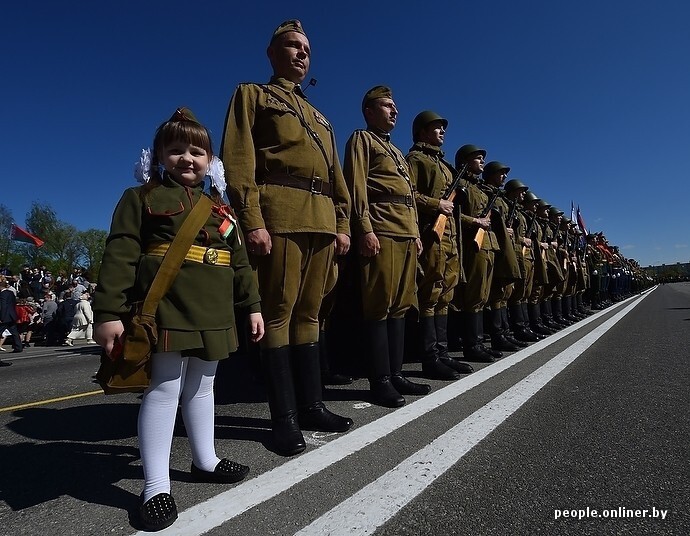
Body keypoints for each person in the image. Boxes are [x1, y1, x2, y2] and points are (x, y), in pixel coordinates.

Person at [93, 107, 264, 532]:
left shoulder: (222, 211)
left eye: (197, 151)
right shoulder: (141, 199)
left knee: (204, 386)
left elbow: (240, 263)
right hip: (167, 307)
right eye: (175, 150)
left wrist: (254, 305)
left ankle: (204, 459)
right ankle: (156, 486)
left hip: (216, 309)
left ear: (210, 161)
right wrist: (109, 312)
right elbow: (119, 255)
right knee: (165, 389)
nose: (187, 158)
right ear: (159, 157)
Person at [221, 19, 353, 457]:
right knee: (278, 311)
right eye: (292, 46)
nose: (301, 53)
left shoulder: (322, 119)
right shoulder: (253, 96)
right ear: (272, 53)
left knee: (312, 313)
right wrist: (252, 220)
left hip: (320, 219)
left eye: (306, 48)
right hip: (279, 213)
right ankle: (284, 419)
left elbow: (338, 180)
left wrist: (343, 225)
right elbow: (238, 162)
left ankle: (312, 406)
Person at [343, 86, 429, 408]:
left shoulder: (396, 152)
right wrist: (364, 228)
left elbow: (408, 198)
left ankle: (396, 373)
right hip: (382, 229)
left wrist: (416, 233)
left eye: (395, 107)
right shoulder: (362, 140)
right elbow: (356, 186)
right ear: (369, 111)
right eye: (387, 106)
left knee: (401, 306)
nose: (394, 112)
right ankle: (379, 381)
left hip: (405, 233)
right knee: (379, 305)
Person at [405, 111, 473, 378]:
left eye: (443, 128)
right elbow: (410, 194)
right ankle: (429, 356)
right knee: (430, 293)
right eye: (436, 128)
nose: (442, 132)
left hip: (450, 236)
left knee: (446, 293)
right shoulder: (416, 159)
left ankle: (442, 353)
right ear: (422, 132)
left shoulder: (444, 165)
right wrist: (436, 204)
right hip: (431, 234)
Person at [452, 145, 502, 363]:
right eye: (477, 158)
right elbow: (454, 215)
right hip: (473, 244)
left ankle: (479, 342)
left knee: (482, 295)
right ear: (464, 161)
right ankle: (472, 345)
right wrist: (475, 221)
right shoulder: (460, 184)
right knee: (473, 296)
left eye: (483, 159)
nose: (482, 161)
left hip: (488, 245)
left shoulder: (480, 189)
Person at [0, 275, 22, 357]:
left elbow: (3, 306)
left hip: (5, 316)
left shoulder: (3, 294)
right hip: (12, 315)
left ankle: (18, 346)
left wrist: (2, 317)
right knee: (14, 332)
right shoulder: (11, 293)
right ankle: (18, 346)